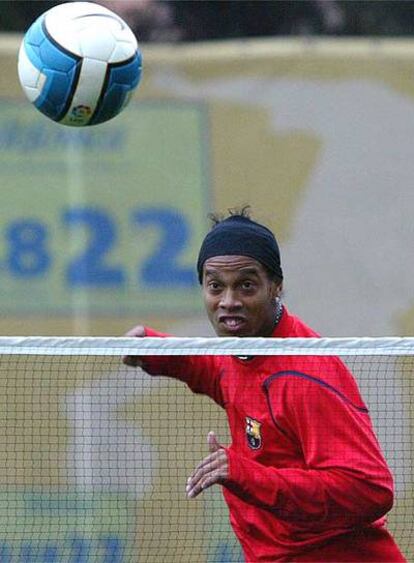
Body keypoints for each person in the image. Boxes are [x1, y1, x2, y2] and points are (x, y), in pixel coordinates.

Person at [123, 208, 406, 562]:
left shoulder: (304, 377)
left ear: (276, 286)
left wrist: (246, 475)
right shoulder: (246, 343)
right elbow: (219, 371)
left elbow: (369, 490)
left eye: (246, 285)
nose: (229, 302)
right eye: (216, 286)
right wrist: (156, 349)